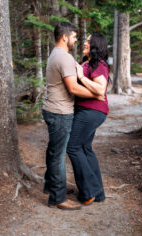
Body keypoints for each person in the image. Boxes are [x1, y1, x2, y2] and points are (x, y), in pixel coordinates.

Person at [42, 22, 103, 210]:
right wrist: (97, 94)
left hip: (52, 109)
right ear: (64, 37)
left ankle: (51, 186)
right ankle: (58, 197)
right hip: (60, 112)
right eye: (75, 37)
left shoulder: (55, 54)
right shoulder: (64, 57)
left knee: (54, 151)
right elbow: (73, 88)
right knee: (58, 155)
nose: (76, 41)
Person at [67, 32, 109, 205]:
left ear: (95, 45)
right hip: (89, 111)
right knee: (85, 148)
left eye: (87, 41)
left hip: (91, 111)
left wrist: (82, 76)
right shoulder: (87, 63)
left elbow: (100, 90)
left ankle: (88, 191)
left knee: (72, 147)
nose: (84, 43)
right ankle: (98, 193)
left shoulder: (98, 64)